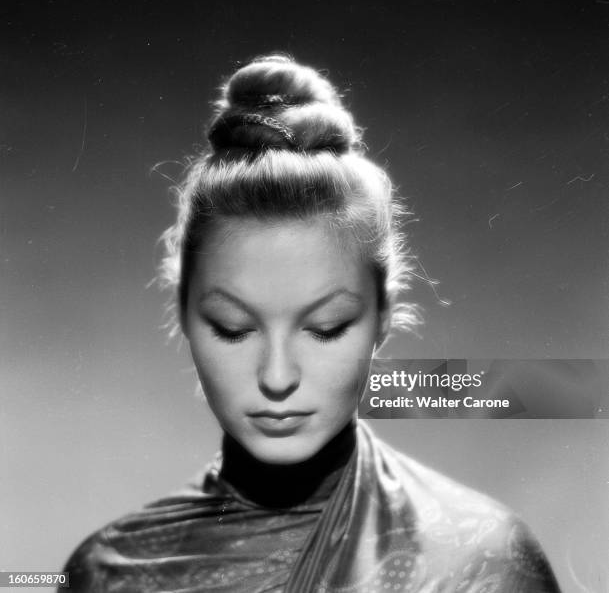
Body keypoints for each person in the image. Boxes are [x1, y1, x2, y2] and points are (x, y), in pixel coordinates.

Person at [60, 55, 562, 592]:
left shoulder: (485, 563)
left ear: (384, 318)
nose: (277, 379)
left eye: (325, 328)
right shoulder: (104, 574)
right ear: (182, 311)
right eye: (233, 328)